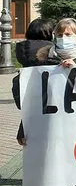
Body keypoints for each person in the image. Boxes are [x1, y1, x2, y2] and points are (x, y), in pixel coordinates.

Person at [14, 18, 55, 146]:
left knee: (31, 112)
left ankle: (25, 134)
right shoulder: (50, 48)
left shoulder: (21, 47)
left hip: (28, 86)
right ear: (48, 31)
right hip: (49, 88)